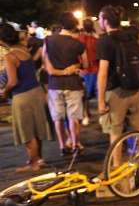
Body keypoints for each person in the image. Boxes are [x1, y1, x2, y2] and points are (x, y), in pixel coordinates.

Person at [1, 23, 52, 172]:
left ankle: (34, 163)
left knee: (27, 131)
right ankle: (38, 159)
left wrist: (4, 91)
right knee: (35, 129)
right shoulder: (24, 50)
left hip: (22, 96)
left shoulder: (10, 56)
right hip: (36, 92)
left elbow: (13, 81)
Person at [96, 5, 139, 145]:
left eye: (99, 18)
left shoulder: (104, 41)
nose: (98, 21)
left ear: (105, 21)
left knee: (116, 131)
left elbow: (103, 73)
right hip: (135, 89)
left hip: (116, 92)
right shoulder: (130, 36)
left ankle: (116, 165)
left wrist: (101, 100)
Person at [43, 12, 86, 155]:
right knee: (74, 118)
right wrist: (71, 69)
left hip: (55, 84)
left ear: (61, 24)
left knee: (58, 118)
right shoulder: (78, 44)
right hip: (73, 83)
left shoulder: (48, 41)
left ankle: (62, 146)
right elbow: (84, 64)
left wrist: (59, 72)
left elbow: (47, 67)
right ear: (74, 26)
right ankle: (75, 145)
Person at [78, 19, 99, 126]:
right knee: (92, 93)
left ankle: (86, 114)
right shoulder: (95, 38)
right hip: (92, 69)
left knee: (85, 94)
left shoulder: (81, 38)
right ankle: (88, 114)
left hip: (87, 70)